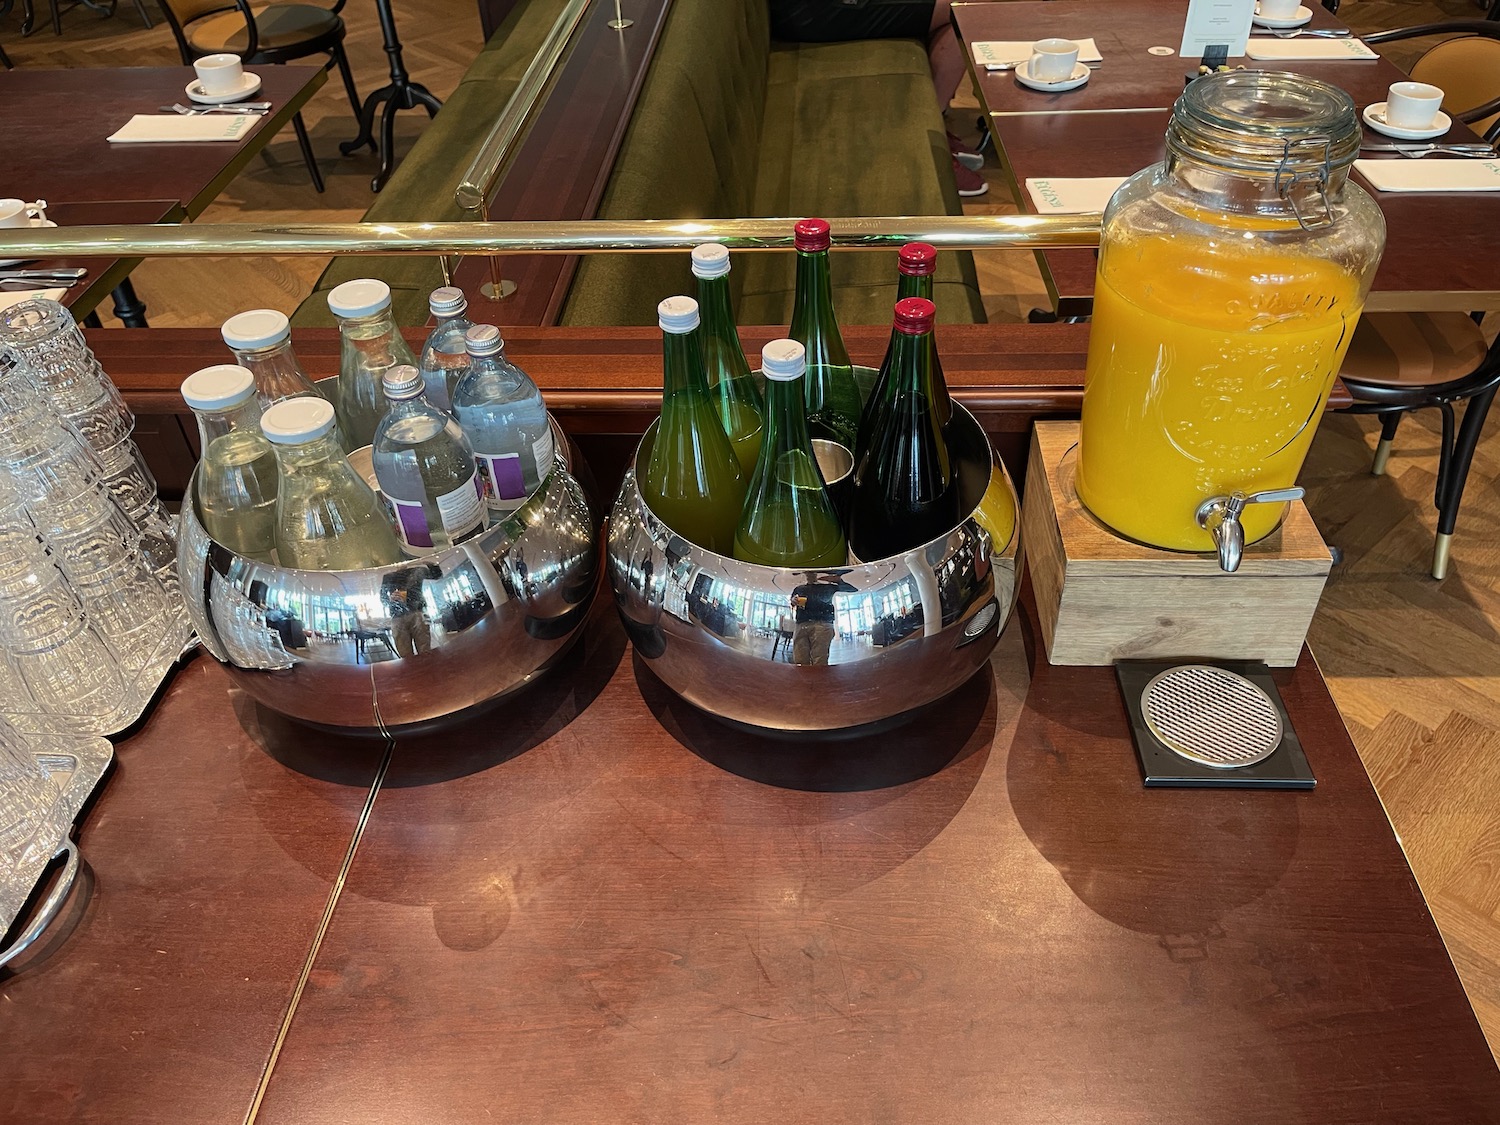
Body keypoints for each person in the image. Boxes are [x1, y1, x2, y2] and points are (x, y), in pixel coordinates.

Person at [767, 1, 988, 196]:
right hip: (810, 11)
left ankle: (934, 132)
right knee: (968, 8)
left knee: (963, 13)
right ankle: (929, 146)